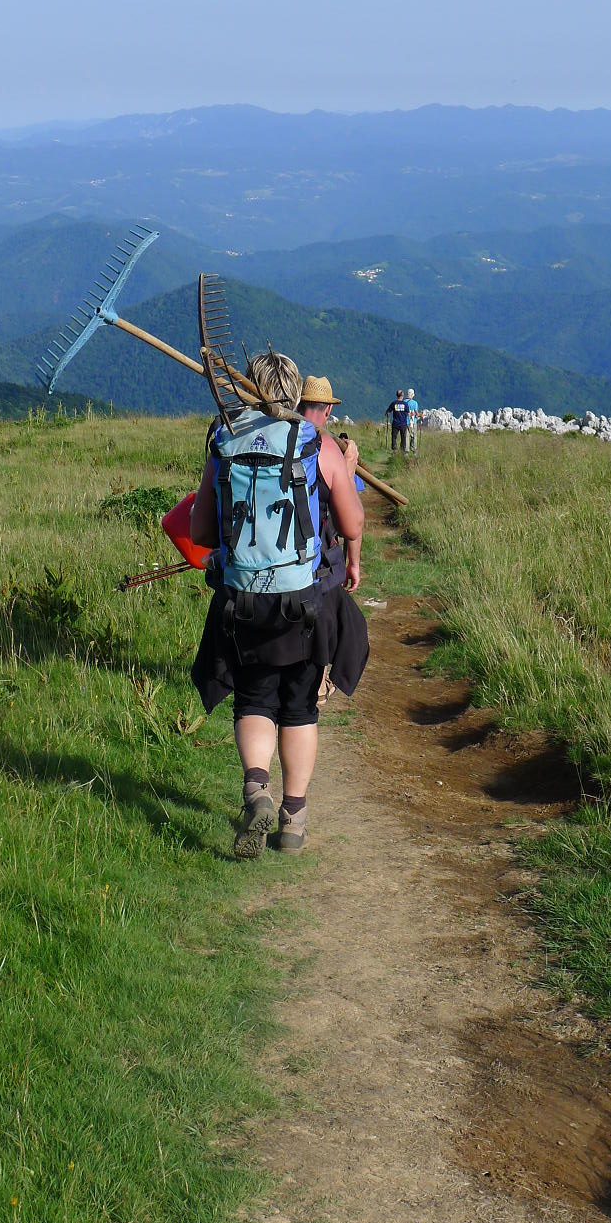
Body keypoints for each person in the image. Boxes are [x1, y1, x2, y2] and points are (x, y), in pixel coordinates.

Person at [190, 353, 367, 859]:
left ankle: (256, 790)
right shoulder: (316, 443)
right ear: (295, 394)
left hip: (243, 602)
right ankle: (293, 819)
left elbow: (201, 531)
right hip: (306, 604)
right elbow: (352, 524)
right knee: (300, 707)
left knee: (253, 700)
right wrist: (343, 473)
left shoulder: (225, 440)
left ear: (249, 389)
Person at [297, 374, 362, 706]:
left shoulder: (282, 439)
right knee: (346, 621)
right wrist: (354, 563)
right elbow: (350, 523)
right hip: (319, 557)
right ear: (327, 410)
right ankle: (320, 682)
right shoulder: (327, 449)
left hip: (276, 557)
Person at [386, 388, 409, 453]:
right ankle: (402, 451)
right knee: (403, 438)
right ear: (402, 395)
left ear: (397, 395)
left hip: (395, 423)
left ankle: (394, 449)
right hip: (403, 423)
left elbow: (388, 412)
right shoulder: (405, 404)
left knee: (394, 437)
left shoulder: (394, 403)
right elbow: (408, 412)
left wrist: (387, 415)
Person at [406, 387, 422, 454]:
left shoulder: (404, 402)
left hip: (405, 422)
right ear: (412, 395)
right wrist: (421, 415)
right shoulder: (415, 403)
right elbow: (417, 414)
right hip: (413, 422)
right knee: (414, 436)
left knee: (406, 436)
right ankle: (414, 450)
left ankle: (406, 451)